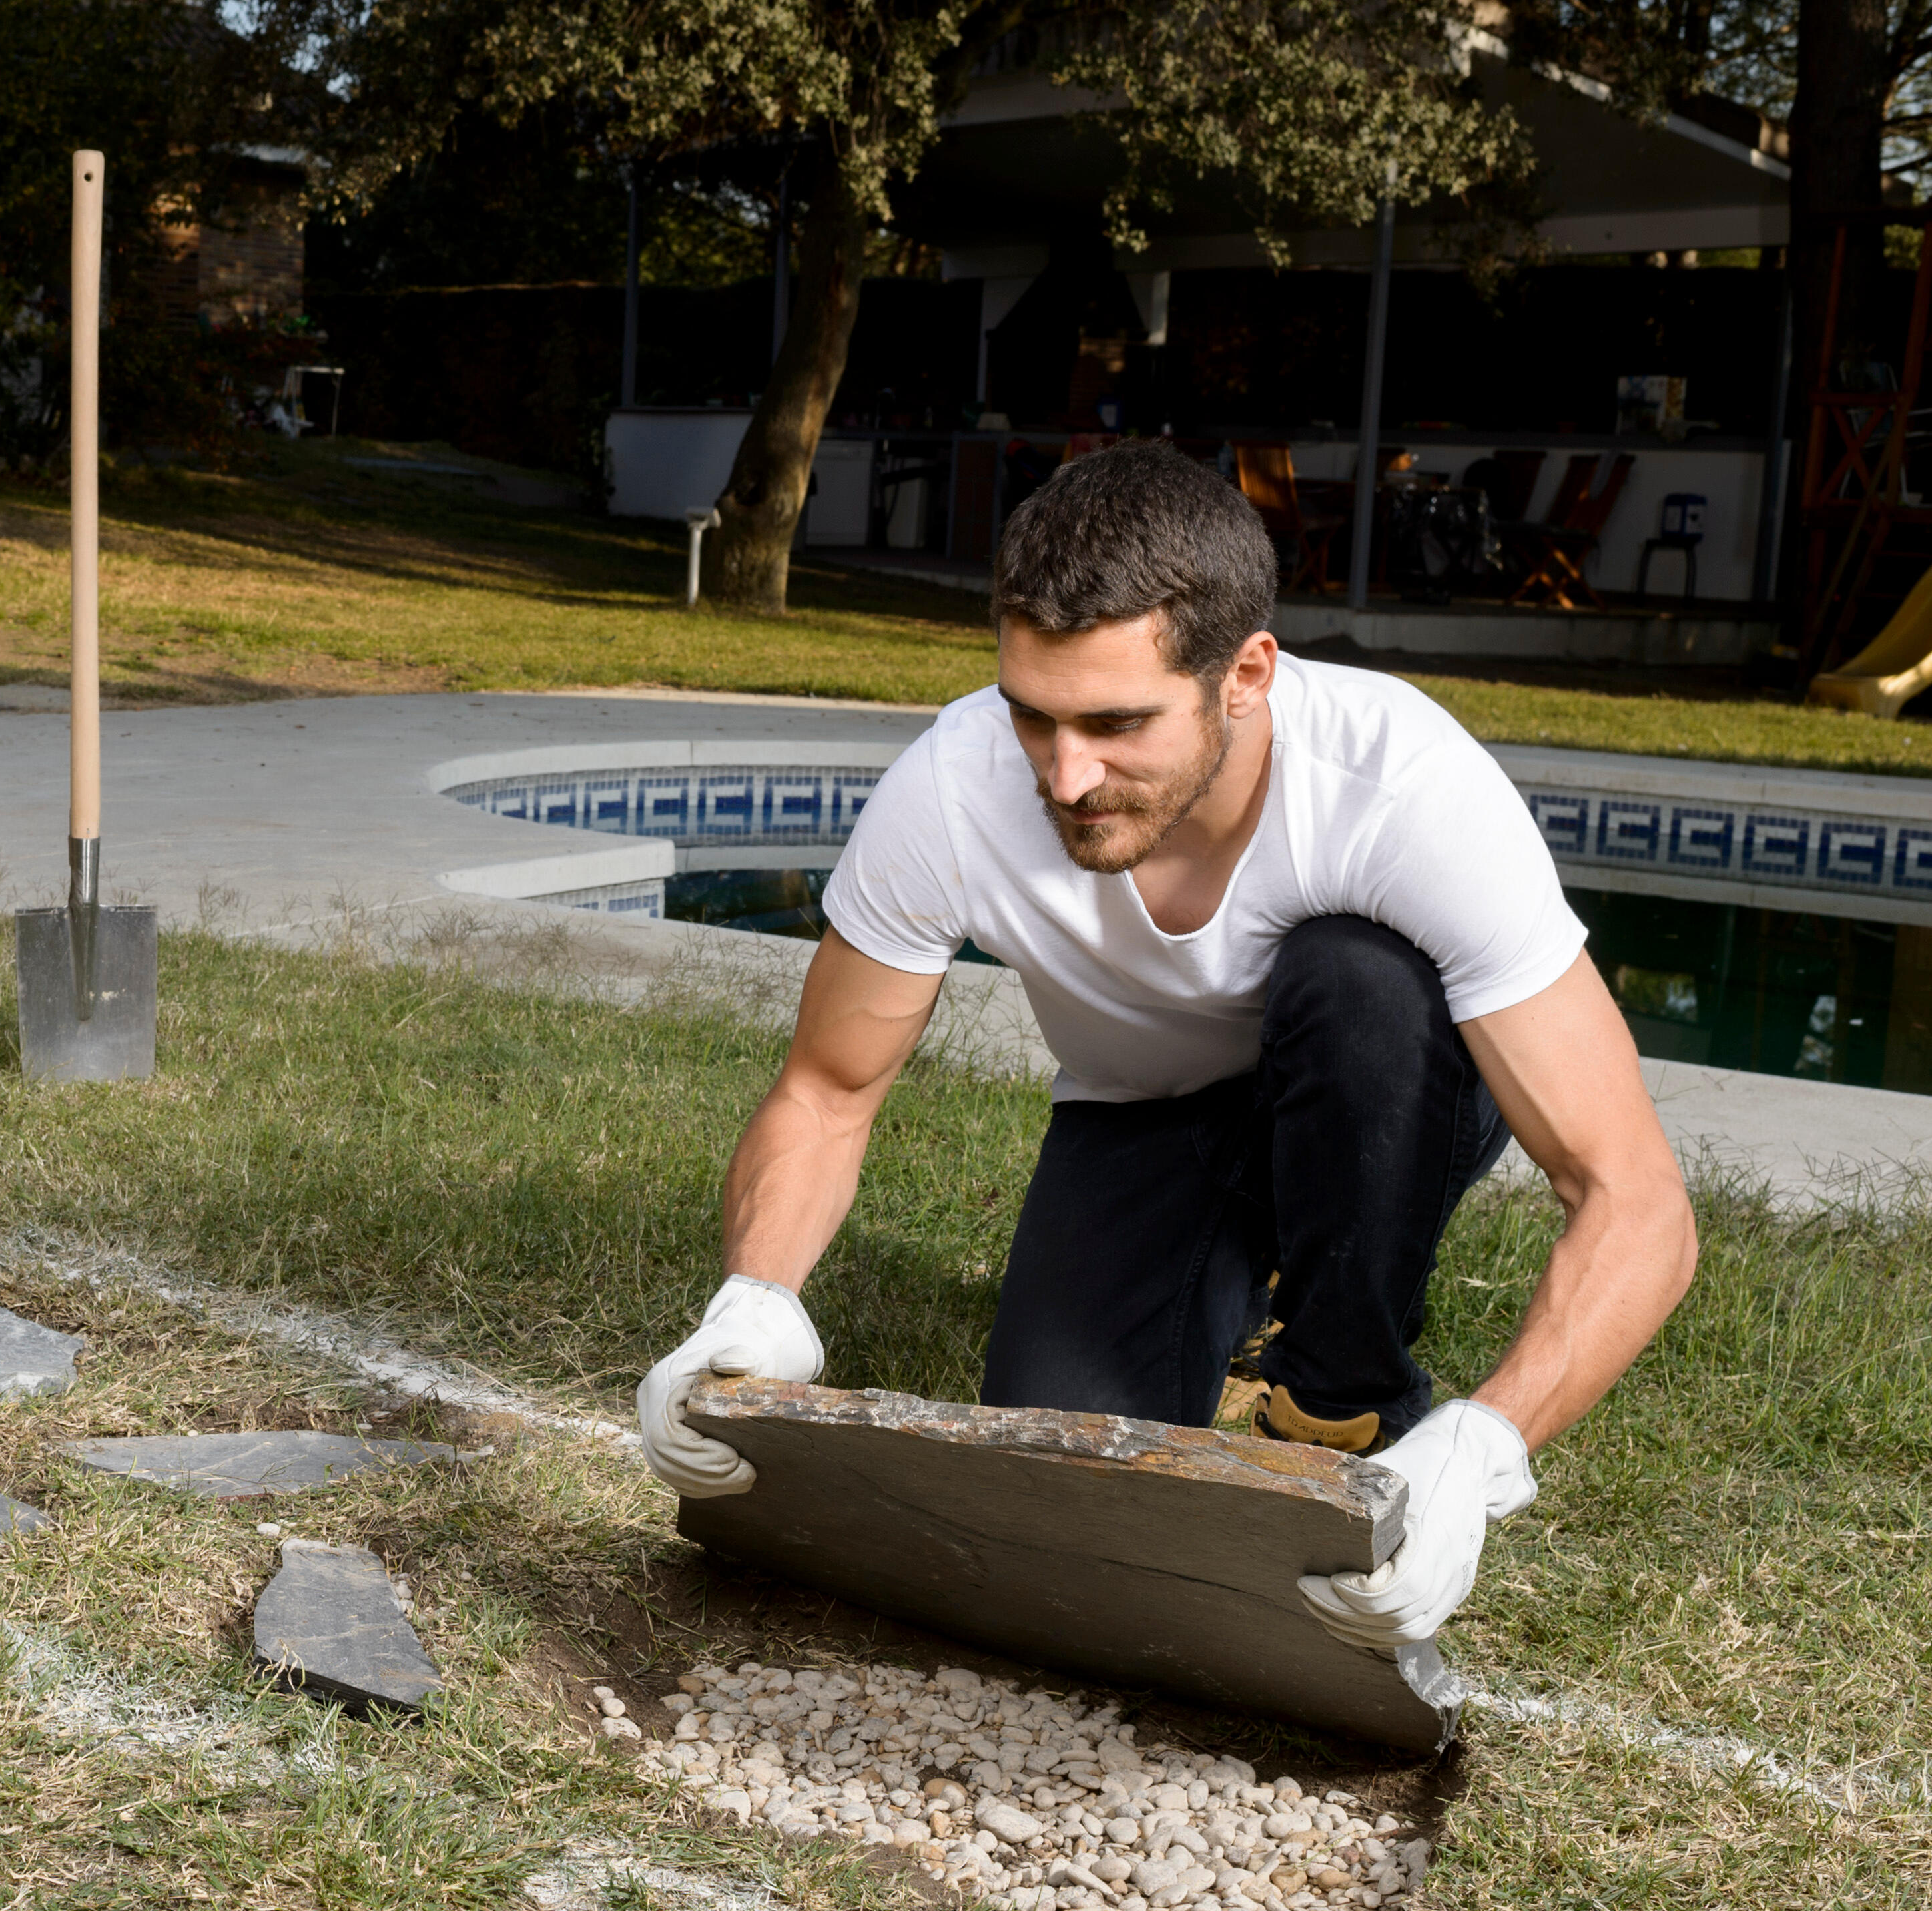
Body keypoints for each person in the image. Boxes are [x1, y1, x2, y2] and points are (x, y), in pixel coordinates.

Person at [639, 443, 1696, 1651]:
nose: (1066, 774)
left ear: (1246, 674)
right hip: (1144, 1113)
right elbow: (828, 1092)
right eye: (1033, 715)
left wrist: (1486, 1445)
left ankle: (1336, 1390)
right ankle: (1225, 1296)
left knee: (1361, 984)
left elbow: (1635, 1198)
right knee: (1061, 1487)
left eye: (1116, 722)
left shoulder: (1405, 790)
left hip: (1375, 1075)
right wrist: (752, 1302)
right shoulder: (954, 785)